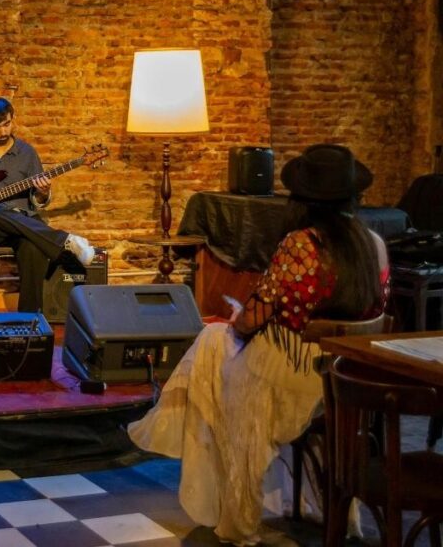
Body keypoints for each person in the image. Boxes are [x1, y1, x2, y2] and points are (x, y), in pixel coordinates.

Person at [128, 144, 390, 546]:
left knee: (213, 340)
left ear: (301, 200)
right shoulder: (373, 244)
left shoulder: (302, 245)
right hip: (348, 380)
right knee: (215, 344)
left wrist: (237, 318)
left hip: (295, 380)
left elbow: (252, 319)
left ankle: (226, 504)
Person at [0, 97, 95, 313]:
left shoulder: (27, 153)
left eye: (7, 124)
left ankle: (29, 319)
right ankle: (64, 241)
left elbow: (37, 202)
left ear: (13, 120)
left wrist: (43, 192)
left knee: (33, 247)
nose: (3, 131)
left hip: (23, 223)